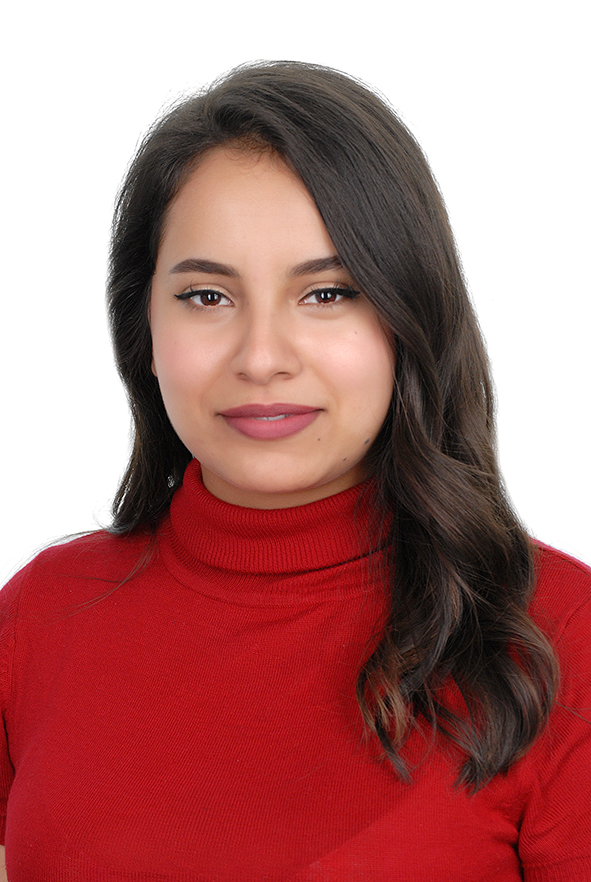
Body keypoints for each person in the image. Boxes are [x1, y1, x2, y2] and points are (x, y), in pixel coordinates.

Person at [0, 61, 590, 881]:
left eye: (328, 293)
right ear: (143, 330)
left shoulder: (558, 636)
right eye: (207, 296)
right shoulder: (38, 618)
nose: (261, 357)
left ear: (408, 317)